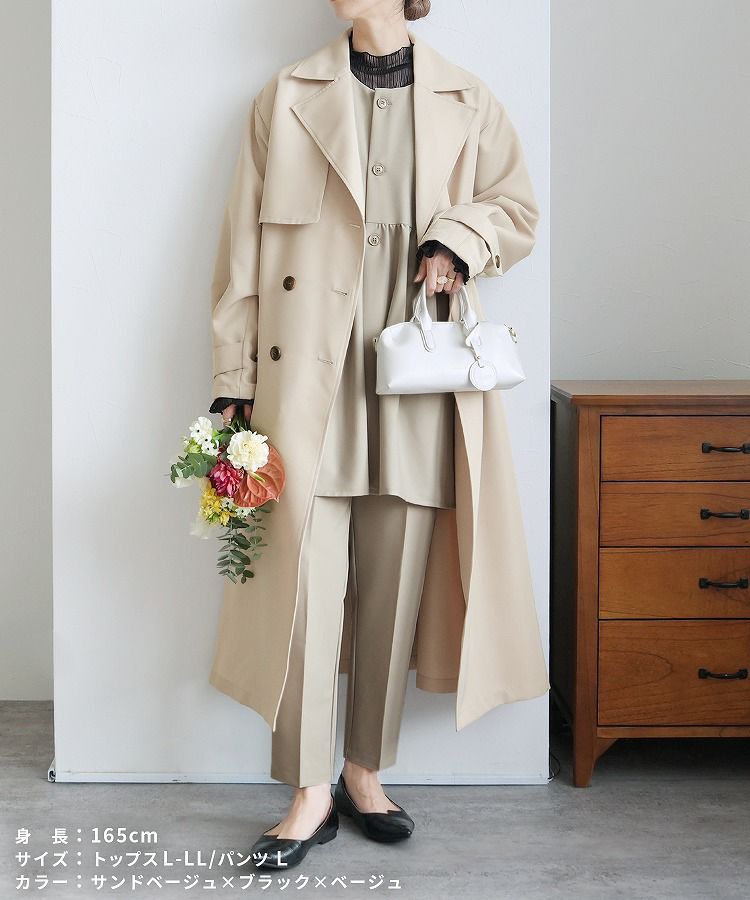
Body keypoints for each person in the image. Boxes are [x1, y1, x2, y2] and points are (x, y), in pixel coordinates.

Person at [207, 0, 543, 870]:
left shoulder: (467, 97)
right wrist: (233, 385)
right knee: (302, 591)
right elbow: (241, 252)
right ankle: (307, 790)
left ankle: (363, 771)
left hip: (416, 378)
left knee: (394, 590)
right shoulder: (286, 95)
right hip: (305, 380)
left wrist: (456, 238)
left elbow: (516, 208)